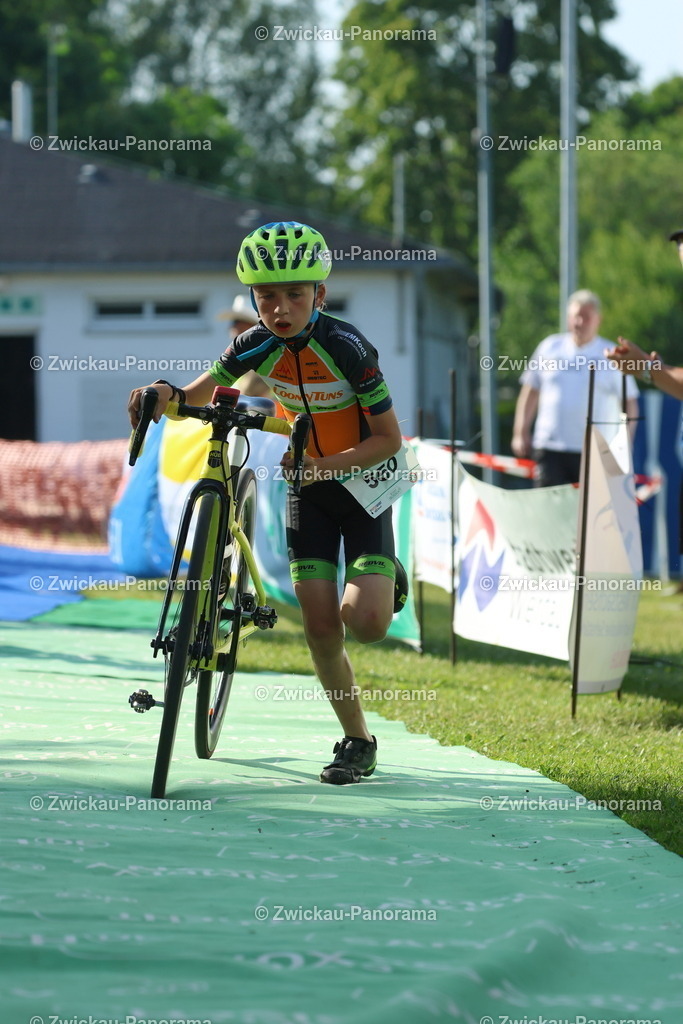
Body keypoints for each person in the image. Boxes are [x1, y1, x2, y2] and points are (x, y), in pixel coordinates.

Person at [129, 221, 408, 786]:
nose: (280, 308)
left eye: (294, 295)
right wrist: (166, 396)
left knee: (368, 622)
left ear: (319, 296)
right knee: (322, 628)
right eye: (267, 296)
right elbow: (202, 389)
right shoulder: (253, 342)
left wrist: (323, 465)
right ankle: (358, 741)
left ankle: (386, 575)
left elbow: (389, 439)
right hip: (308, 491)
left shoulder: (348, 348)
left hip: (363, 481)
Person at [511, 290, 639, 486]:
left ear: (598, 319)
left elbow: (629, 402)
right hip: (550, 447)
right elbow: (530, 391)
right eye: (575, 316)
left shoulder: (611, 355)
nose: (579, 322)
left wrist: (624, 444)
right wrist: (520, 432)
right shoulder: (549, 347)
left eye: (585, 317)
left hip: (595, 450)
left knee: (590, 514)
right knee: (550, 510)